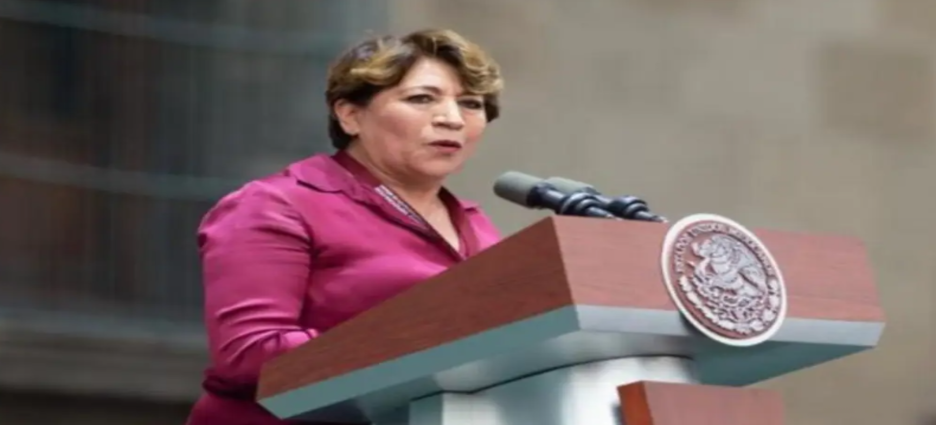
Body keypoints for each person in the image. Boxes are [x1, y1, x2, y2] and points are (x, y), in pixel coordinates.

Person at [184, 28, 505, 425]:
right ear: (351, 115)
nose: (452, 119)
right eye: (421, 98)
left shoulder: (475, 224)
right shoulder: (277, 205)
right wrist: (425, 339)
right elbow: (250, 355)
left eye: (471, 104)